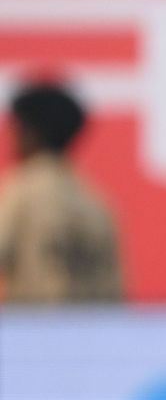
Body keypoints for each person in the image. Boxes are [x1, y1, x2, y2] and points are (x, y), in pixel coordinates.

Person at [0, 81, 122, 303]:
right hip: (91, 334)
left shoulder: (20, 191)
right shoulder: (96, 204)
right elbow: (115, 292)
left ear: (31, 132)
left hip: (31, 330)